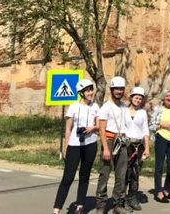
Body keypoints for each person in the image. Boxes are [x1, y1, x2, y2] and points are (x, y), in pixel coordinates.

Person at [52, 78, 99, 214]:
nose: (90, 92)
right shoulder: (73, 107)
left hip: (90, 145)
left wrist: (93, 128)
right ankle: (57, 209)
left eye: (91, 89)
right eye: (87, 90)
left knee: (85, 176)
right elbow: (68, 129)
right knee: (68, 177)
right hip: (74, 145)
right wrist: (66, 147)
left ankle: (80, 206)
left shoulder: (95, 107)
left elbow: (99, 126)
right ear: (81, 93)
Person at [95, 76, 129, 214]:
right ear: (111, 90)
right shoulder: (105, 108)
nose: (119, 92)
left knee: (121, 174)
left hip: (122, 141)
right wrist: (106, 149)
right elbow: (101, 129)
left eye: (121, 89)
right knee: (105, 173)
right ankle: (101, 205)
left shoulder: (124, 107)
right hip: (109, 140)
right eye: (116, 89)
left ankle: (118, 203)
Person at [150, 89, 170, 203]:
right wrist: (162, 125)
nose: (169, 98)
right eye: (166, 96)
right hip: (161, 138)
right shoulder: (158, 109)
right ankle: (159, 191)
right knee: (159, 166)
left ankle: (167, 188)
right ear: (163, 98)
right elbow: (151, 126)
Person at [123, 87, 150, 211]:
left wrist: (147, 148)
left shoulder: (143, 113)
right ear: (131, 98)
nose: (138, 100)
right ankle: (122, 200)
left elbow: (145, 130)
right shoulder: (124, 111)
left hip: (139, 146)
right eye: (136, 97)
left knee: (135, 173)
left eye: (140, 98)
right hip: (127, 145)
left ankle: (132, 197)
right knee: (125, 173)